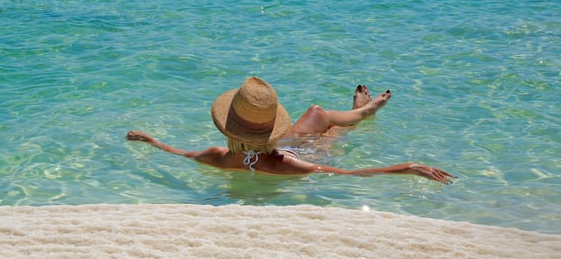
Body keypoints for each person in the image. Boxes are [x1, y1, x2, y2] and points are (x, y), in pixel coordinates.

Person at [126, 76, 454, 183]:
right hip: (299, 151)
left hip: (283, 143)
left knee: (316, 112)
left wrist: (152, 141)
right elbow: (350, 174)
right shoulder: (285, 166)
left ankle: (360, 112)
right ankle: (360, 113)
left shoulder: (217, 155)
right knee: (332, 130)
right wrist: (407, 167)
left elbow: (182, 154)